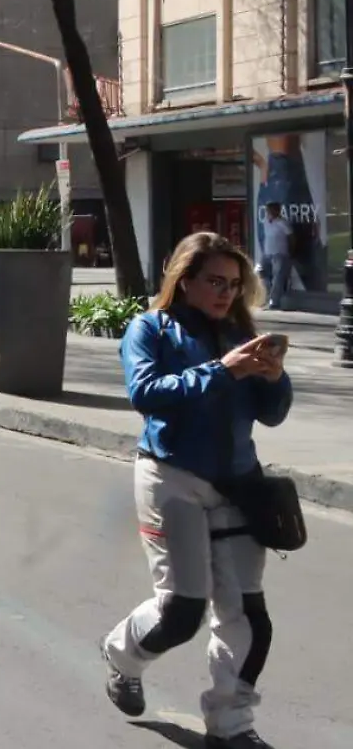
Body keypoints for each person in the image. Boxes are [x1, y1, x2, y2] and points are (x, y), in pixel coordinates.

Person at [100, 232, 291, 749]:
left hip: (238, 484)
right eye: (215, 281)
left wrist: (274, 378)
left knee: (248, 614)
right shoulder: (150, 328)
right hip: (171, 478)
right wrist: (220, 371)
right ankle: (121, 654)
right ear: (183, 281)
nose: (226, 293)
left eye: (234, 283)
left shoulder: (239, 332)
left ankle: (230, 727)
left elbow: (272, 415)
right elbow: (146, 394)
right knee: (182, 610)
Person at [259, 202, 291, 310]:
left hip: (279, 253)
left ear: (276, 211)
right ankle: (267, 294)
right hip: (267, 253)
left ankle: (274, 301)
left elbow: (291, 237)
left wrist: (290, 250)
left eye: (270, 210)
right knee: (260, 272)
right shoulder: (266, 222)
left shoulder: (282, 223)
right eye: (267, 210)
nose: (268, 212)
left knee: (278, 277)